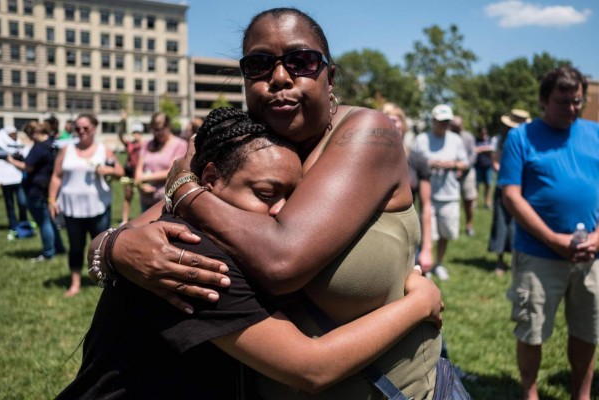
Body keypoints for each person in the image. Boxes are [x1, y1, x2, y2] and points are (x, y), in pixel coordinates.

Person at [91, 8, 447, 399]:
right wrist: (115, 247)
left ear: (330, 77)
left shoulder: (365, 133)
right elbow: (129, 233)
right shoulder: (237, 147)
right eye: (259, 65)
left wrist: (188, 193)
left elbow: (282, 261)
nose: (279, 77)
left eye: (302, 61)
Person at [57, 107, 443, 399]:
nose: (280, 211)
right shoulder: (191, 254)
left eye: (293, 198)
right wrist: (419, 304)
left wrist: (110, 245)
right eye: (265, 194)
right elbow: (312, 367)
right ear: (209, 179)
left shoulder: (222, 231)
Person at [498, 66, 599, 400]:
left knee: (588, 331)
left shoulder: (595, 133)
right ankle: (530, 392)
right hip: (539, 254)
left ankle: (581, 394)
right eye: (563, 102)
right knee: (532, 330)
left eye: (578, 102)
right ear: (543, 100)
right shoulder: (521, 137)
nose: (572, 108)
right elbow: (511, 195)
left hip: (591, 256)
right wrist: (553, 239)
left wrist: (598, 237)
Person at [48, 114, 124, 297]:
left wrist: (109, 170)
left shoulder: (103, 150)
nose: (81, 131)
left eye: (86, 128)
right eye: (78, 128)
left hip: (98, 207)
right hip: (72, 208)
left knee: (102, 248)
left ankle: (107, 281)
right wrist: (51, 200)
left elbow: (120, 172)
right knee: (76, 246)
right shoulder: (67, 150)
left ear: (94, 129)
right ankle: (75, 283)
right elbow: (56, 176)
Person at [412, 104, 469, 281]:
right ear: (433, 121)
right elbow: (412, 164)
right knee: (426, 234)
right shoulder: (421, 139)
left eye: (447, 122)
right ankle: (424, 266)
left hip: (449, 194)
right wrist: (429, 164)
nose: (444, 125)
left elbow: (464, 163)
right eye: (441, 122)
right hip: (426, 195)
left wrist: (452, 164)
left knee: (445, 234)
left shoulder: (456, 140)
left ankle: (439, 263)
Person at [382, 102, 433, 274]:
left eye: (395, 120)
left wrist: (427, 248)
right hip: (378, 236)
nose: (391, 124)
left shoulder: (417, 160)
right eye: (385, 119)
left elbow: (426, 207)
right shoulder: (368, 160)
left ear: (403, 125)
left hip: (409, 237)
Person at [7, 121, 66, 261]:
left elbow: (28, 167)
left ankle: (48, 253)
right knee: (50, 222)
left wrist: (11, 161)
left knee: (44, 222)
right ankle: (59, 248)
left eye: (30, 135)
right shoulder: (53, 144)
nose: (30, 138)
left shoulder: (39, 148)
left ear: (35, 133)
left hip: (37, 190)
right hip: (48, 188)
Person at [487, 109, 531, 276]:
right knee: (501, 223)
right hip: (503, 187)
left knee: (518, 224)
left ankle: (515, 259)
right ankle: (499, 260)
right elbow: (496, 163)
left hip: (523, 189)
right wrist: (510, 174)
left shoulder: (528, 140)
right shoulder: (500, 140)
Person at [135, 112, 187, 212]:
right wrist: (141, 185)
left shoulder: (180, 145)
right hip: (146, 199)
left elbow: (172, 171)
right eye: (154, 129)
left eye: (161, 129)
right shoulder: (147, 144)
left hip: (166, 200)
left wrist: (145, 177)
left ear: (169, 126)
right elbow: (138, 169)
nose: (158, 133)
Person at [449, 115, 477, 237]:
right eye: (454, 126)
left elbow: (473, 155)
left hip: (467, 172)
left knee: (468, 200)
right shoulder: (448, 137)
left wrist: (463, 167)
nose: (456, 128)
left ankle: (469, 224)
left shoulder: (468, 137)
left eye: (458, 126)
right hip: (451, 171)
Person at [0, 125, 29, 235]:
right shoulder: (1, 145)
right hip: (6, 180)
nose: (15, 135)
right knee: (9, 204)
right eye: (12, 133)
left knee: (22, 202)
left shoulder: (18, 142)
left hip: (18, 178)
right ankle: (13, 225)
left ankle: (24, 222)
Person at [118, 117, 144, 224]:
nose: (136, 134)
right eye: (134, 132)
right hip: (129, 172)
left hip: (140, 172)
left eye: (138, 132)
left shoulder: (145, 145)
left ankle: (144, 218)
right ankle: (124, 220)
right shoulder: (129, 144)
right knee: (127, 196)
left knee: (143, 197)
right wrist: (122, 122)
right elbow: (120, 136)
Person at [474, 126, 494, 210]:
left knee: (488, 185)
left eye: (485, 133)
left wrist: (480, 149)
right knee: (476, 186)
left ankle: (487, 203)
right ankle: (474, 203)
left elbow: (492, 148)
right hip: (478, 166)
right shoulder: (475, 140)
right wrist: (485, 149)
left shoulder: (490, 140)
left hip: (488, 165)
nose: (484, 135)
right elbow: (474, 149)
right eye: (482, 133)